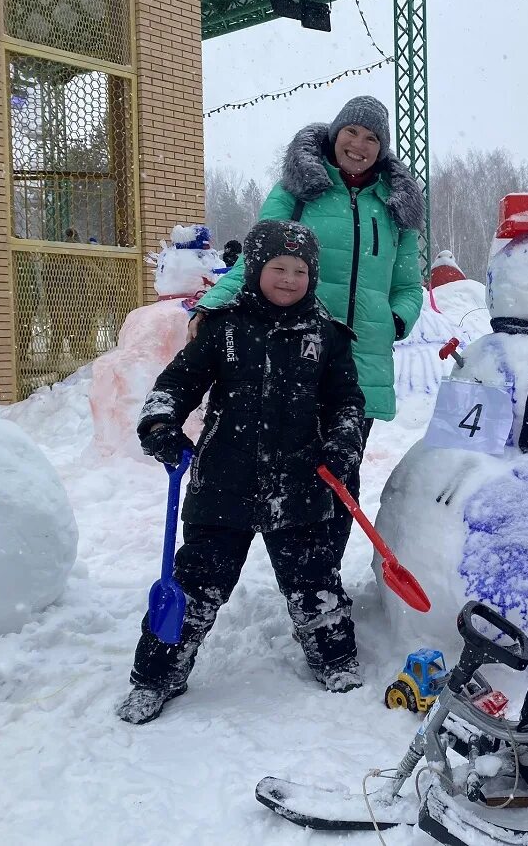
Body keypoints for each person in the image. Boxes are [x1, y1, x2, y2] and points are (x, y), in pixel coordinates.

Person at [192, 96, 425, 673]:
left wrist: (393, 320)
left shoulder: (396, 206)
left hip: (359, 363)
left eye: (371, 138)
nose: (360, 145)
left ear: (382, 146)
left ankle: (320, 594)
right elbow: (257, 255)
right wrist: (216, 304)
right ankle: (299, 583)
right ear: (335, 134)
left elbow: (408, 283)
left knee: (337, 479)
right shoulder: (301, 185)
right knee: (285, 472)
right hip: (294, 351)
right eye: (352, 132)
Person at [116, 219, 367, 725]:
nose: (289, 279)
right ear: (256, 270)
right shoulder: (223, 328)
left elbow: (347, 402)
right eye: (279, 267)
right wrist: (161, 423)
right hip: (223, 480)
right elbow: (176, 384)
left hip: (300, 480)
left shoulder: (327, 337)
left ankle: (335, 657)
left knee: (314, 579)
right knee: (197, 584)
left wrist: (344, 444)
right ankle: (156, 676)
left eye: (300, 270)